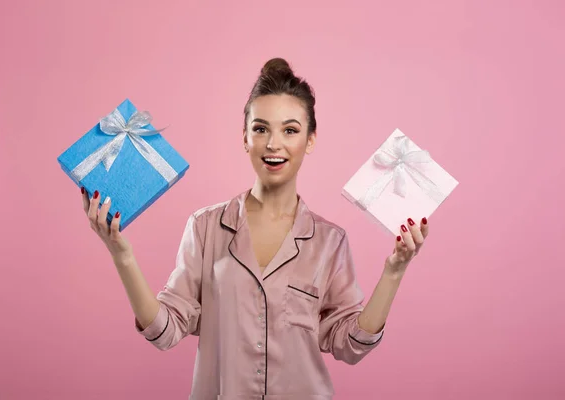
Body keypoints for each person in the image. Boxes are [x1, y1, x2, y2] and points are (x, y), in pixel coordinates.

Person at [81, 58, 429, 400]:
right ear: (245, 138)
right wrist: (121, 254)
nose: (273, 144)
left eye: (290, 130)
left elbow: (351, 344)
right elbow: (165, 330)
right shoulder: (205, 227)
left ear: (310, 140)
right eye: (261, 129)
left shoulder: (330, 241)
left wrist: (394, 271)